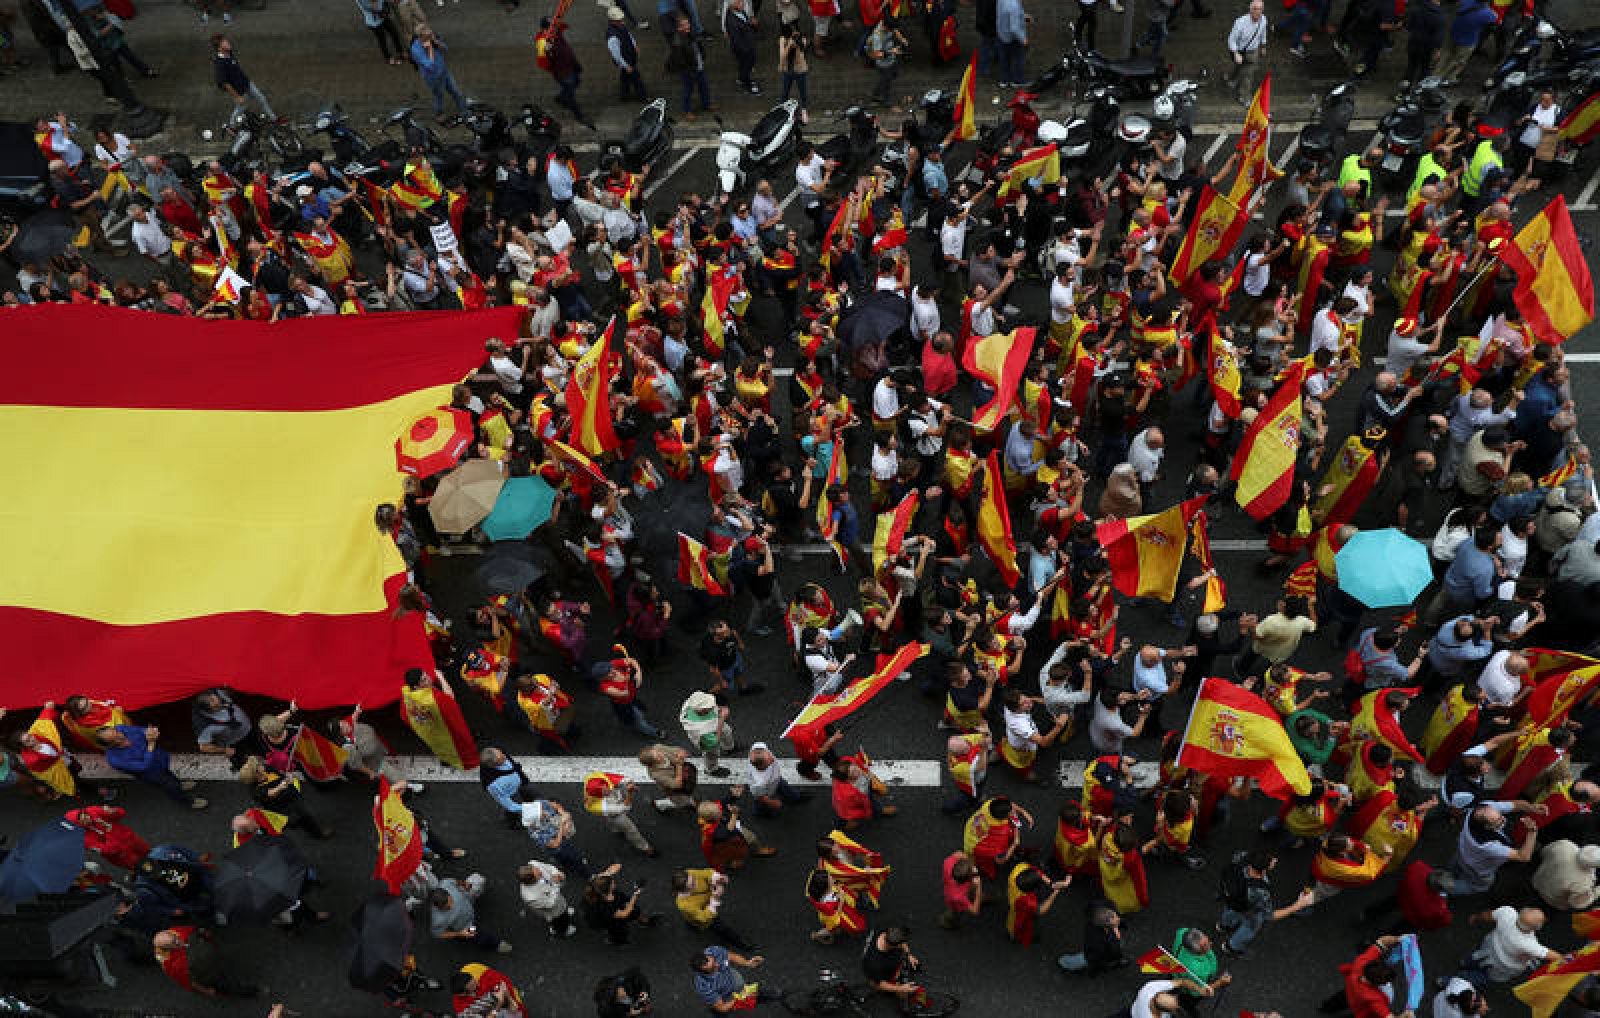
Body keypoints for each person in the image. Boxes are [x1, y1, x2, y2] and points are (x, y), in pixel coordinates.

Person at [1217, 849, 1315, 957]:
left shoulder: (1242, 857)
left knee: (1231, 910)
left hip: (1231, 898)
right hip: (1249, 910)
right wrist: (1297, 905)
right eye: (1271, 861)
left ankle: (1224, 926)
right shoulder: (1260, 890)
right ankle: (1231, 947)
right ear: (1263, 869)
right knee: (1249, 927)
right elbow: (1269, 915)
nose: (1275, 860)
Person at [97, 724, 208, 810]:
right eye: (114, 740)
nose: (121, 736)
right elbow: (143, 767)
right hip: (152, 774)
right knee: (170, 787)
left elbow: (141, 730)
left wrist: (150, 732)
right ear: (109, 746)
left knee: (169, 773)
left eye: (117, 733)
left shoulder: (121, 728)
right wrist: (151, 744)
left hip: (160, 759)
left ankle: (180, 784)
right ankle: (188, 802)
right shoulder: (114, 760)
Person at [1460, 906, 1561, 984]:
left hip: (1490, 946)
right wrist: (1573, 960)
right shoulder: (1529, 945)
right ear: (1537, 927)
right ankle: (1464, 977)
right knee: (1487, 976)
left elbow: (1487, 916)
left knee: (1476, 956)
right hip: (1503, 964)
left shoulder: (1507, 912)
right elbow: (1556, 957)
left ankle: (1465, 963)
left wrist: (1476, 917)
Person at [672, 867, 758, 951]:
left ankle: (692, 924)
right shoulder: (684, 904)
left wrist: (717, 878)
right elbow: (704, 917)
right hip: (704, 913)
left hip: (702, 907)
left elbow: (706, 873)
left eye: (693, 879)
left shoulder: (689, 873)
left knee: (692, 920)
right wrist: (715, 899)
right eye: (692, 885)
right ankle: (740, 943)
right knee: (721, 928)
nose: (696, 882)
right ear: (684, 890)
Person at [429, 875, 513, 954]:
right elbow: (438, 934)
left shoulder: (445, 883)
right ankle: (496, 944)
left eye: (451, 901)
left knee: (478, 881)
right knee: (479, 936)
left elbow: (456, 882)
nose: (452, 906)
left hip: (467, 900)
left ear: (448, 894)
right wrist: (459, 933)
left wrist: (465, 884)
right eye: (448, 907)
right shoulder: (438, 920)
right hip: (466, 926)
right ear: (439, 907)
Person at [410, 24, 469, 120]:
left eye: (430, 32)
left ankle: (465, 111)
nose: (430, 35)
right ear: (421, 36)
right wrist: (430, 49)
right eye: (428, 35)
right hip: (433, 78)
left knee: (456, 92)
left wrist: (436, 42)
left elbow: (446, 48)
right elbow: (430, 65)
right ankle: (439, 113)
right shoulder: (416, 49)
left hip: (444, 72)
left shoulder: (433, 38)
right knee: (439, 96)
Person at [690, 945, 773, 1011]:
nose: (718, 965)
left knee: (744, 988)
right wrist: (740, 998)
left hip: (733, 978)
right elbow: (722, 1007)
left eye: (714, 961)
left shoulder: (713, 951)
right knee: (721, 1008)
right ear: (703, 970)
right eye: (713, 967)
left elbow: (731, 956)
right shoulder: (703, 985)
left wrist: (747, 963)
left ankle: (761, 996)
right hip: (726, 996)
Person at [211, 34, 275, 119]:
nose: (228, 43)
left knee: (262, 99)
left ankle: (273, 119)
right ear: (219, 48)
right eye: (224, 43)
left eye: (226, 41)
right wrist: (237, 97)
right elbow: (224, 83)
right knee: (241, 108)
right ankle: (232, 127)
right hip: (239, 91)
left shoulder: (229, 53)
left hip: (247, 83)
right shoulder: (220, 64)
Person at [515, 858, 578, 937]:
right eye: (538, 874)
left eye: (537, 869)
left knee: (562, 908)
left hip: (557, 899)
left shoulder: (533, 864)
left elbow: (549, 867)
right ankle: (560, 930)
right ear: (532, 881)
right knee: (559, 919)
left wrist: (556, 873)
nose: (540, 871)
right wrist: (556, 884)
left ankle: (564, 911)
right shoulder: (531, 897)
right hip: (553, 909)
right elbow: (550, 904)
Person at [862, 926, 923, 1006]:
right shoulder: (874, 962)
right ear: (893, 946)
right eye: (900, 944)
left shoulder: (887, 931)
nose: (904, 945)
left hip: (891, 966)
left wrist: (909, 955)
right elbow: (879, 983)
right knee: (903, 995)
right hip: (880, 977)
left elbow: (903, 943)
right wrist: (901, 989)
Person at [1224, 1, 1268, 105]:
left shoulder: (1263, 19)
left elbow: (1263, 32)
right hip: (1239, 51)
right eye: (1255, 9)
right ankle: (1232, 79)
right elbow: (1231, 39)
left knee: (1248, 75)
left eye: (1260, 9)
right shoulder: (1240, 22)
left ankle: (1244, 97)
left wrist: (1263, 45)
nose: (1258, 12)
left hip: (1253, 52)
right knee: (1238, 66)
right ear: (1250, 10)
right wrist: (1235, 53)